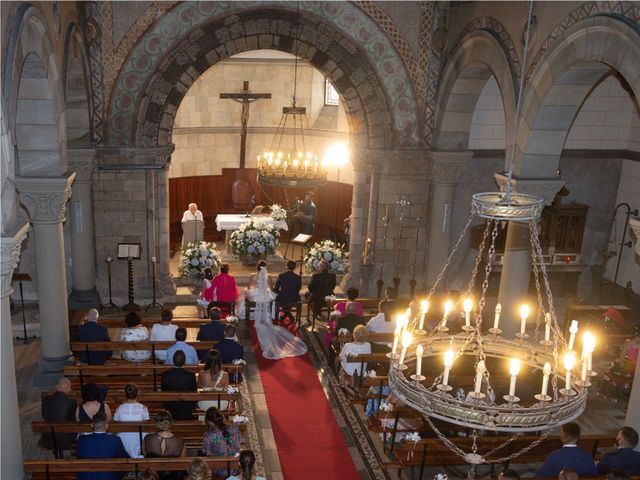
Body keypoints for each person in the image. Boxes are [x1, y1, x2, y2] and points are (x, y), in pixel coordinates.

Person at [246, 260, 308, 360]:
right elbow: (271, 288)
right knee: (269, 299)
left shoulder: (252, 275)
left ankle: (252, 316)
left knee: (247, 294)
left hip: (256, 295)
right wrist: (265, 290)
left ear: (257, 267)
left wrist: (255, 289)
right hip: (267, 296)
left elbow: (249, 287)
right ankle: (271, 317)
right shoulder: (268, 276)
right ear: (265, 268)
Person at [76, 411, 129, 480]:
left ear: (91, 425)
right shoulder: (115, 440)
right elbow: (124, 457)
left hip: (87, 476)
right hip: (109, 476)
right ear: (106, 426)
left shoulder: (81, 440)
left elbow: (80, 457)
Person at [143, 410, 186, 480]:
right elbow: (181, 463)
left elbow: (145, 456)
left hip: (153, 476)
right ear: (171, 422)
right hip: (173, 477)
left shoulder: (147, 438)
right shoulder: (180, 441)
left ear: (156, 422)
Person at [41, 377, 76, 456]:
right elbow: (72, 420)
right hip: (65, 438)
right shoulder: (71, 402)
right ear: (69, 389)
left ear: (56, 387)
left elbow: (45, 416)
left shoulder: (46, 400)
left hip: (49, 437)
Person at [202, 407, 242, 476]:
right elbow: (239, 444)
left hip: (219, 469)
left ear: (209, 422)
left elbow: (208, 455)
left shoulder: (208, 436)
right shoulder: (235, 427)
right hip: (236, 466)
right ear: (222, 417)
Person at [113, 384, 149, 458]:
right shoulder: (143, 408)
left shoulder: (120, 408)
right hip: (138, 437)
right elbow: (147, 424)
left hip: (124, 437)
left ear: (125, 395)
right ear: (137, 394)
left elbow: (115, 423)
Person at [161, 350, 197, 420]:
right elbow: (194, 392)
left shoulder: (165, 375)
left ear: (173, 361)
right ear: (184, 361)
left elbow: (163, 391)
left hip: (170, 408)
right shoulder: (191, 376)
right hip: (187, 409)